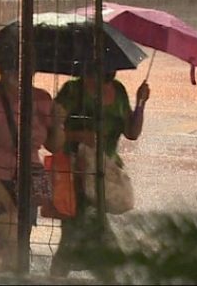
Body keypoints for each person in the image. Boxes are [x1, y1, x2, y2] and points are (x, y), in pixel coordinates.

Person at [0, 55, 65, 273]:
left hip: (28, 180)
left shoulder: (42, 99)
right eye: (10, 69)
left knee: (10, 246)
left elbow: (54, 145)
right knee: (15, 242)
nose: (16, 75)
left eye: (24, 70)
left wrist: (59, 122)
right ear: (1, 71)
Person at [49, 69, 150, 278]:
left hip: (104, 173)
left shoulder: (118, 90)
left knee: (77, 236)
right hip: (76, 173)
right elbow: (53, 131)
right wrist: (78, 135)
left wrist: (141, 104)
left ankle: (60, 275)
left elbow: (131, 132)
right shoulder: (73, 90)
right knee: (81, 232)